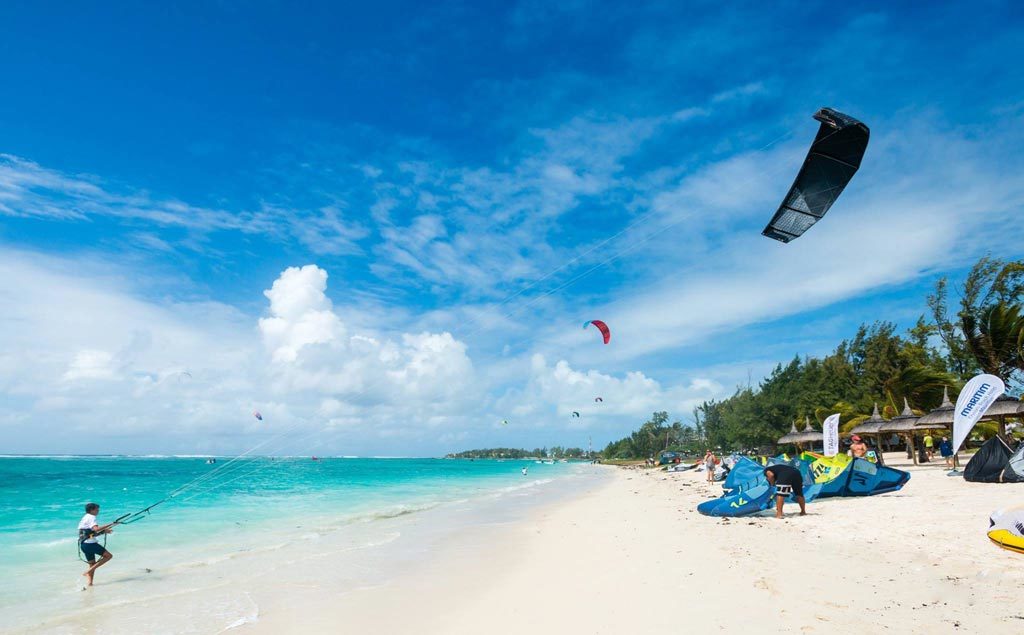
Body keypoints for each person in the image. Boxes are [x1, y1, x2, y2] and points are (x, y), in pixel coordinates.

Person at [78, 503, 115, 587]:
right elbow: (96, 529)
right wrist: (111, 523)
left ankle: (90, 583)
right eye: (97, 509)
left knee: (92, 563)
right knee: (108, 556)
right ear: (92, 510)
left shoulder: (85, 517)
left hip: (84, 545)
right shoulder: (91, 517)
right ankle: (88, 572)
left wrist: (104, 531)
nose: (98, 511)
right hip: (91, 545)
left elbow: (89, 533)